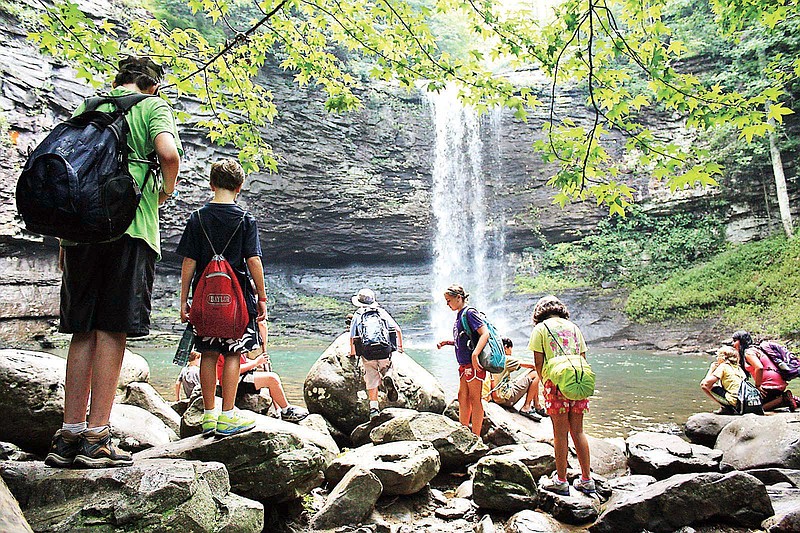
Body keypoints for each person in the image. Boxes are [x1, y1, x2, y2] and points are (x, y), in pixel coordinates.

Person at [45, 56, 182, 469]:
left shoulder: (89, 107)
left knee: (82, 330)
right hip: (129, 232)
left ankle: (68, 435)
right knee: (112, 329)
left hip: (79, 234)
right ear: (153, 86)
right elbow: (169, 154)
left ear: (119, 80)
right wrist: (164, 192)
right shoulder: (152, 107)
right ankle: (96, 437)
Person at [177, 159, 267, 437]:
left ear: (211, 184)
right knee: (233, 353)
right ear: (239, 187)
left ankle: (208, 416)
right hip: (237, 300)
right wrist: (261, 296)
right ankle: (227, 415)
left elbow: (189, 262)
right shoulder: (245, 219)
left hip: (205, 299)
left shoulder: (197, 218)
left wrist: (184, 300)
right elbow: (253, 261)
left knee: (207, 352)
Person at [529, 295, 595, 496]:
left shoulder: (540, 329)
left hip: (555, 384)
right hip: (577, 382)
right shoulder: (574, 327)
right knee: (578, 431)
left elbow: (538, 363)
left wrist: (545, 383)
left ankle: (561, 480)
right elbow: (582, 358)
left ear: (539, 313)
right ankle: (586, 479)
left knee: (559, 433)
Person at [436, 284, 488, 437]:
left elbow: (484, 334)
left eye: (449, 300)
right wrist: (449, 342)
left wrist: (475, 355)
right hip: (464, 364)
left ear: (459, 297)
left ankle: (476, 435)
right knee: (462, 396)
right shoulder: (460, 314)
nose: (447, 304)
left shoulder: (470, 313)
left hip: (473, 364)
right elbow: (467, 339)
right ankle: (464, 431)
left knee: (475, 398)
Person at [349, 288, 403, 419]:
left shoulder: (358, 314)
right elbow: (397, 330)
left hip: (367, 352)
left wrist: (352, 353)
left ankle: (374, 409)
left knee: (371, 377)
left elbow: (352, 336)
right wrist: (400, 347)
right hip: (384, 350)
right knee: (387, 366)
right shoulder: (381, 312)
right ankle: (387, 376)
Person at [215, 353, 309, 423]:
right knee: (272, 379)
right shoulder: (227, 346)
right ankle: (286, 410)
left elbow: (241, 361)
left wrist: (257, 362)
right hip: (232, 382)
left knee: (271, 377)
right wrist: (255, 363)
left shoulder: (232, 342)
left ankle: (281, 409)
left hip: (238, 377)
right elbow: (233, 369)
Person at [733, 330, 796, 412]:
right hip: (779, 382)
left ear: (741, 341)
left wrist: (758, 386)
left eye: (735, 341)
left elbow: (759, 367)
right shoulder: (756, 349)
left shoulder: (748, 352)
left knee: (753, 408)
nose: (733, 344)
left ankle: (783, 399)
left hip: (770, 385)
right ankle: (793, 399)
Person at [484, 338, 546, 421]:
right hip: (506, 398)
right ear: (506, 347)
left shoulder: (493, 359)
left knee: (527, 375)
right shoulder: (506, 359)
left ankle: (537, 405)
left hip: (497, 397)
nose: (511, 351)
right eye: (510, 349)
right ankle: (527, 406)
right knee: (536, 374)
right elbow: (533, 366)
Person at [701, 345, 747, 415]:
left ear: (723, 357)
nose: (717, 358)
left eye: (718, 356)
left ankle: (725, 407)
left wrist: (711, 369)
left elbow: (706, 383)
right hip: (742, 400)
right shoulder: (738, 368)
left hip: (733, 400)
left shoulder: (723, 366)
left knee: (703, 385)